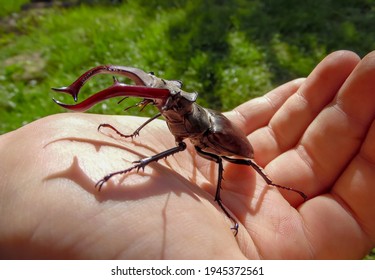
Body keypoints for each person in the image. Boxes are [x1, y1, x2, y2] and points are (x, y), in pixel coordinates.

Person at [0, 50, 374, 259]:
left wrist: (255, 187)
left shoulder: (205, 130)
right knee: (174, 141)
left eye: (173, 102)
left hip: (228, 146)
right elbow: (166, 123)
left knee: (225, 162)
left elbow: (228, 156)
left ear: (186, 107)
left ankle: (263, 184)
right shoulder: (175, 117)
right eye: (166, 101)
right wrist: (132, 132)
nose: (167, 105)